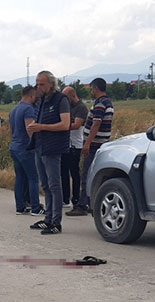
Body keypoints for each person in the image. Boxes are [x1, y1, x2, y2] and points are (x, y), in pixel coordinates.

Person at [27, 71, 70, 235]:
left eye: (42, 84)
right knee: (45, 185)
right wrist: (34, 126)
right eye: (37, 84)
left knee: (54, 185)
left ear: (51, 84)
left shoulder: (60, 99)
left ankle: (56, 222)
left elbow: (65, 124)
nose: (39, 87)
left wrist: (41, 127)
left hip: (53, 148)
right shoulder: (41, 100)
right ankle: (48, 219)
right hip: (39, 146)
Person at [76, 78, 114, 214]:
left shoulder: (100, 103)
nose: (91, 91)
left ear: (96, 88)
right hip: (101, 143)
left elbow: (96, 124)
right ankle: (92, 203)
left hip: (94, 144)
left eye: (91, 89)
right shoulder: (108, 102)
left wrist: (87, 143)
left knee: (86, 174)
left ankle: (82, 205)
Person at [9, 85, 44, 215]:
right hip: (25, 148)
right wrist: (36, 145)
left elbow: (11, 130)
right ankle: (35, 207)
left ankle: (20, 207)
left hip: (14, 147)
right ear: (31, 95)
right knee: (33, 178)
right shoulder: (28, 109)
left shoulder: (14, 109)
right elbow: (30, 129)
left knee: (19, 177)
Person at [61, 86, 89, 214]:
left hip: (75, 145)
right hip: (66, 143)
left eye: (66, 97)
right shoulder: (67, 107)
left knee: (74, 173)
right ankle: (65, 198)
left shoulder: (81, 108)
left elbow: (77, 125)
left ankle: (76, 199)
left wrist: (62, 126)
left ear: (73, 95)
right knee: (63, 172)